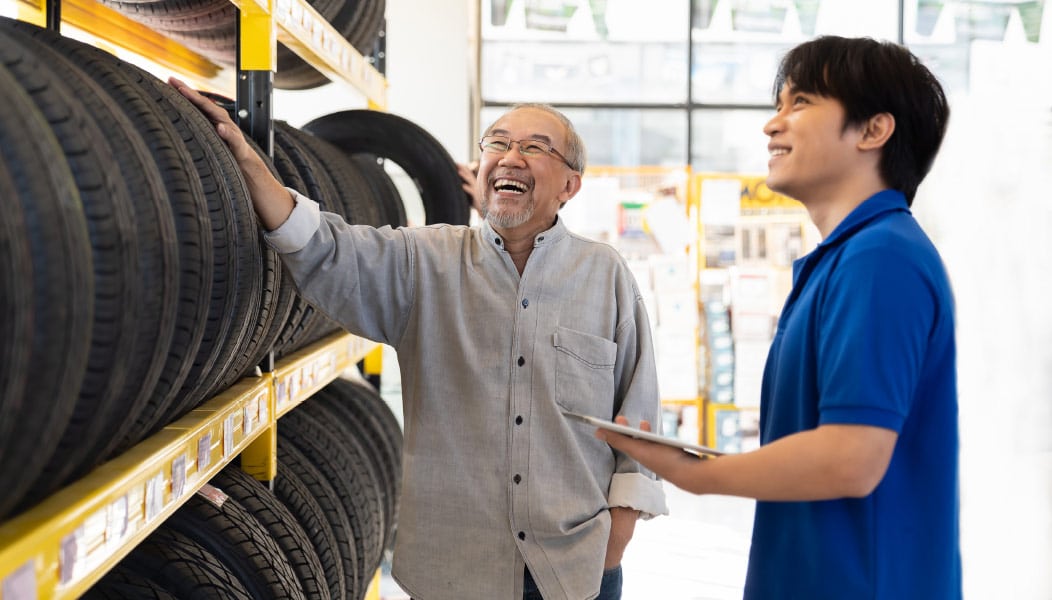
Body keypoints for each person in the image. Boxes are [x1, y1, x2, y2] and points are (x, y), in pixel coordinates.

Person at [170, 79, 669, 600]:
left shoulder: (605, 274)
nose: (509, 156)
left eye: (534, 147)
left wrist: (618, 535)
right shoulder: (424, 262)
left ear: (570, 185)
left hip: (576, 571)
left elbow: (639, 414)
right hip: (454, 574)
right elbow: (325, 248)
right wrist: (248, 162)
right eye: (496, 143)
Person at [597, 35, 960, 599]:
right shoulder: (845, 258)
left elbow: (851, 457)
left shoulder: (881, 258)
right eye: (777, 105)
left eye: (801, 103)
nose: (773, 125)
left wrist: (697, 473)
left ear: (873, 130)